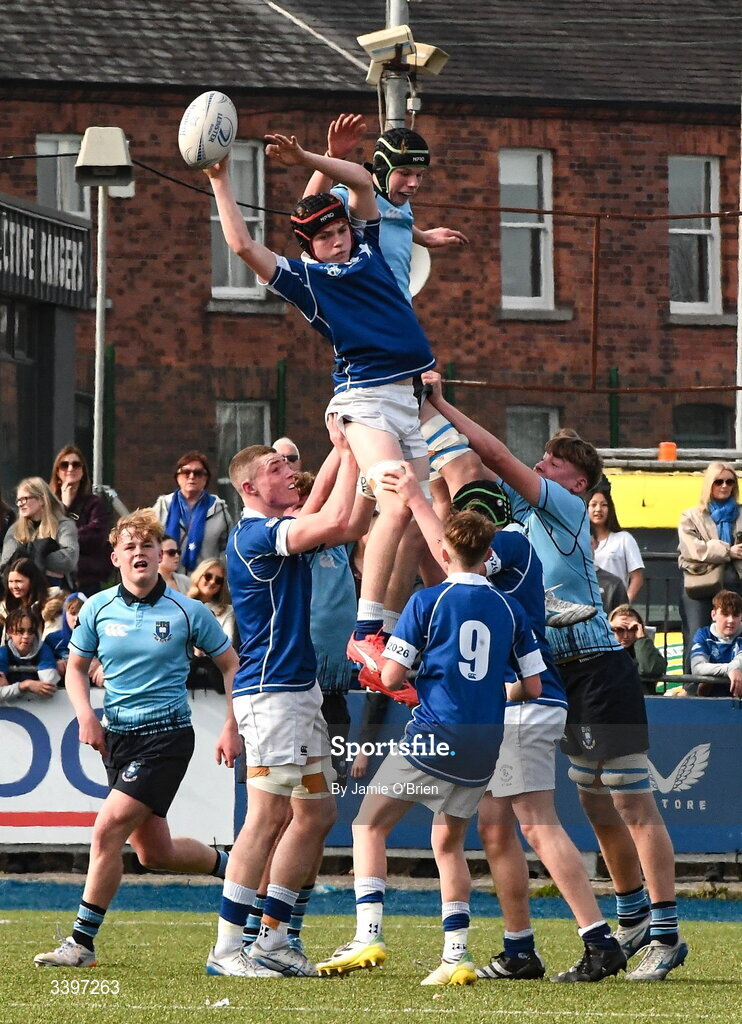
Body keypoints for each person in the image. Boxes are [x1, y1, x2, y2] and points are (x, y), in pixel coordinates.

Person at [419, 372, 688, 982]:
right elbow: (467, 474)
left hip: (599, 669)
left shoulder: (562, 507)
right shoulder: (518, 511)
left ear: (577, 481)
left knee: (632, 801)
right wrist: (425, 433)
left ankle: (666, 934)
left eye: (551, 461)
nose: (538, 465)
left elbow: (493, 454)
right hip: (562, 673)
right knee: (596, 806)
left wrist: (436, 402)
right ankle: (634, 919)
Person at [206, 138, 435, 687]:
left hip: (406, 398)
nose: (337, 241)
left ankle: (396, 629)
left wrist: (309, 160)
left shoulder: (371, 245)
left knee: (396, 522)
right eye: (325, 238)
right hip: (367, 400)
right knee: (401, 495)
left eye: (340, 231)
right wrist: (219, 179)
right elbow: (241, 245)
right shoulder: (309, 281)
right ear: (309, 247)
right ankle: (367, 631)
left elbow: (359, 178)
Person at [384, 470, 625, 982]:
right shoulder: (502, 550)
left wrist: (415, 499)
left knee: (537, 823)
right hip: (507, 706)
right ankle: (519, 948)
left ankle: (599, 940)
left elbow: (450, 550)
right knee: (495, 830)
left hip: (522, 701)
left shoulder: (511, 541)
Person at [316, 509, 543, 984]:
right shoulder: (509, 608)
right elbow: (534, 686)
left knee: (367, 826)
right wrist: (485, 691)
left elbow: (394, 676)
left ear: (443, 553)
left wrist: (370, 663)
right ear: (488, 555)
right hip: (484, 743)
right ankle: (456, 954)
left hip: (436, 734)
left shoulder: (428, 601)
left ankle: (368, 933)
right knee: (448, 842)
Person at [34, 508, 239, 969]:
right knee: (154, 852)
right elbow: (77, 670)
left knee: (106, 831)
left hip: (166, 737)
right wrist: (86, 714)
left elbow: (231, 665)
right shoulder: (97, 608)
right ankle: (236, 868)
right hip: (117, 737)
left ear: (158, 556)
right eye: (130, 546)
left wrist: (232, 724)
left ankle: (81, 944)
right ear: (115, 557)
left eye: (147, 545)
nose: (140, 553)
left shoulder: (189, 610)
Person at [206, 419, 360, 979]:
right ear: (249, 488)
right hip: (272, 697)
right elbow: (338, 519)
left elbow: (331, 513)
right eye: (276, 468)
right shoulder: (253, 535)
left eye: (289, 464)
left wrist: (346, 453)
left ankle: (271, 938)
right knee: (267, 814)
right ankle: (227, 950)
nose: (290, 472)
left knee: (317, 812)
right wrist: (351, 449)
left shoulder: (278, 521)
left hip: (300, 693)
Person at [304, 115, 468, 302]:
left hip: (400, 311)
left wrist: (423, 237)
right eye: (404, 173)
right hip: (366, 310)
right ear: (382, 170)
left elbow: (391, 219)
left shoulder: (398, 197)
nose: (413, 183)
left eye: (419, 175)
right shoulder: (353, 195)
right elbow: (309, 207)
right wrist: (332, 156)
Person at [678, 462, 742, 670]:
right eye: (718, 481)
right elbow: (692, 549)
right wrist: (727, 551)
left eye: (729, 481)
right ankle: (692, 687)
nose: (724, 486)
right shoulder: (691, 516)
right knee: (697, 633)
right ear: (709, 484)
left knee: (738, 634)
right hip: (700, 585)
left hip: (736, 583)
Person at [153, 451, 233, 573]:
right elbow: (151, 542)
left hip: (205, 583)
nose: (191, 477)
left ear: (206, 479)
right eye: (186, 472)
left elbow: (228, 548)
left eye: (198, 473)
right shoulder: (163, 506)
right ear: (177, 477)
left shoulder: (218, 509)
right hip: (168, 582)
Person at [49, 446, 111, 594]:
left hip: (86, 580)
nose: (70, 468)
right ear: (57, 472)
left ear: (83, 471)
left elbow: (96, 538)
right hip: (54, 580)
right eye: (64, 465)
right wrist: (65, 506)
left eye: (76, 464)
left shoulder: (94, 504)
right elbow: (45, 538)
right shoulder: (48, 505)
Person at [1, 478, 79, 588]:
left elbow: (68, 560)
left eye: (25, 499)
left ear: (42, 499)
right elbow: (6, 566)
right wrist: (40, 558)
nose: (20, 504)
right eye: (18, 500)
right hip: (21, 595)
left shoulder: (64, 525)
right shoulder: (15, 530)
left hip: (56, 593)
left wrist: (26, 555)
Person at [588, 488, 644, 602]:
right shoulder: (580, 539)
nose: (598, 509)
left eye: (604, 505)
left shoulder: (624, 539)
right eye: (593, 505)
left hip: (614, 603)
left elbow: (637, 578)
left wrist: (624, 604)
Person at [687, 589, 742, 697]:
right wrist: (730, 670)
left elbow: (739, 663)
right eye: (725, 614)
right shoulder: (703, 634)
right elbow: (697, 668)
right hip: (708, 703)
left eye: (735, 615)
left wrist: (713, 670)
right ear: (713, 615)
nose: (730, 620)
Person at [0, 607, 59, 702]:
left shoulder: (43, 650)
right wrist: (26, 685)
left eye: (31, 631)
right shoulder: (3, 653)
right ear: (9, 632)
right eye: (20, 631)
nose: (26, 636)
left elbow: (49, 686)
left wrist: (9, 689)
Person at [608, 605, 668, 695]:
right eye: (619, 630)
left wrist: (641, 639)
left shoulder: (646, 648)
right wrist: (607, 631)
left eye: (632, 629)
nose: (625, 636)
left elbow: (650, 669)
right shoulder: (601, 650)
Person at [188, 558, 236, 644]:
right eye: (208, 576)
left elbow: (227, 643)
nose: (212, 582)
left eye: (218, 580)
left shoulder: (228, 611)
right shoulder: (182, 603)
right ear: (198, 576)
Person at [0, 557, 49, 636]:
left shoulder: (48, 607)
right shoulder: (5, 609)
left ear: (32, 581)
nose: (14, 586)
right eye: (11, 582)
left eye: (18, 581)